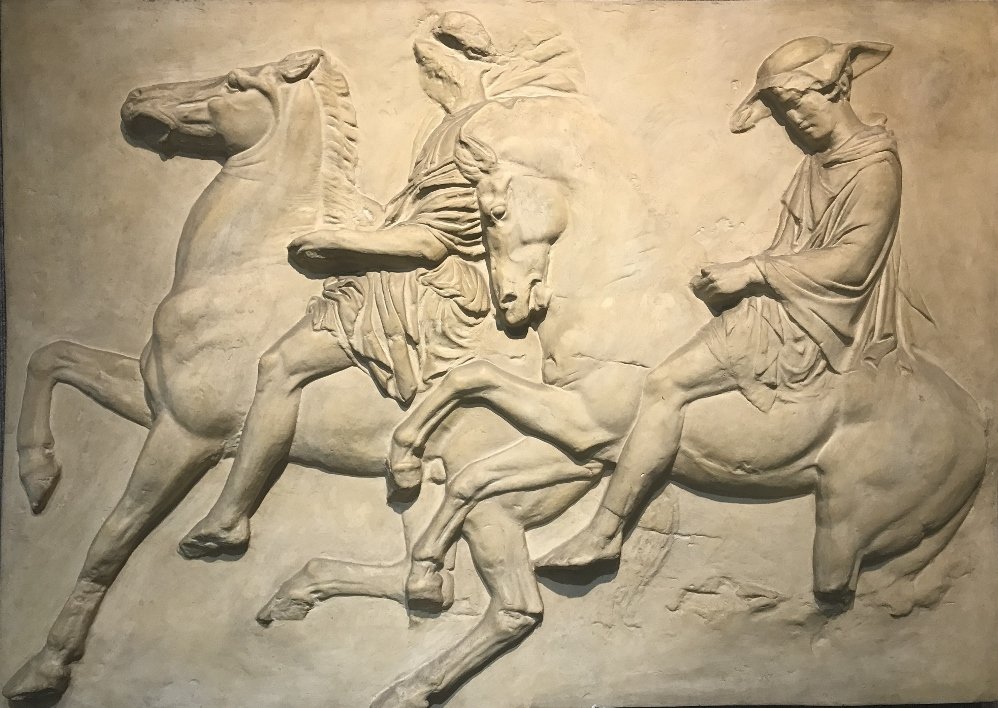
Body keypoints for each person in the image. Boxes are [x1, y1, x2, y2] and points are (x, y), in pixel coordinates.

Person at [179, 12, 584, 558]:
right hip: (403, 276)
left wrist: (342, 243)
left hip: (429, 290)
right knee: (283, 363)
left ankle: (232, 515)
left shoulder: (476, 132)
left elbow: (431, 241)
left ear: (445, 66)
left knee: (280, 366)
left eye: (425, 65)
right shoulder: (450, 126)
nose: (422, 77)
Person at [538, 36, 927, 568]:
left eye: (798, 103)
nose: (792, 120)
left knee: (666, 383)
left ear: (837, 87)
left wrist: (751, 272)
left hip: (812, 322)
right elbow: (796, 245)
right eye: (782, 111)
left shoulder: (873, 166)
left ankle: (605, 534)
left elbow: (852, 262)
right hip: (780, 304)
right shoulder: (819, 161)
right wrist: (734, 275)